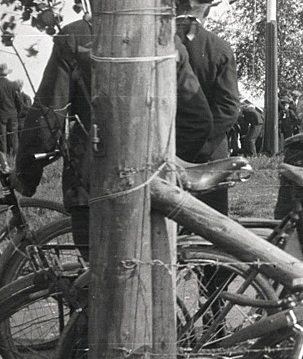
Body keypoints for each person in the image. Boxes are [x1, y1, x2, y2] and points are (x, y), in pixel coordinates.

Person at [14, 15, 214, 252]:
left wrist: (25, 175)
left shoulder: (76, 35)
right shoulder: (165, 38)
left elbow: (49, 116)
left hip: (90, 183)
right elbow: (199, 119)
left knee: (92, 278)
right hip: (155, 186)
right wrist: (165, 162)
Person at [175, 0, 241, 215]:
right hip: (208, 155)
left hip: (162, 149)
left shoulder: (154, 43)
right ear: (208, 9)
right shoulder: (219, 48)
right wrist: (202, 143)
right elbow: (229, 107)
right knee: (211, 229)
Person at [0, 64, 22, 157]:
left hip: (1, 116)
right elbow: (19, 102)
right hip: (13, 115)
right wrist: (18, 113)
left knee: (2, 139)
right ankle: (15, 160)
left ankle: (4, 163)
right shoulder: (14, 85)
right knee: (14, 138)